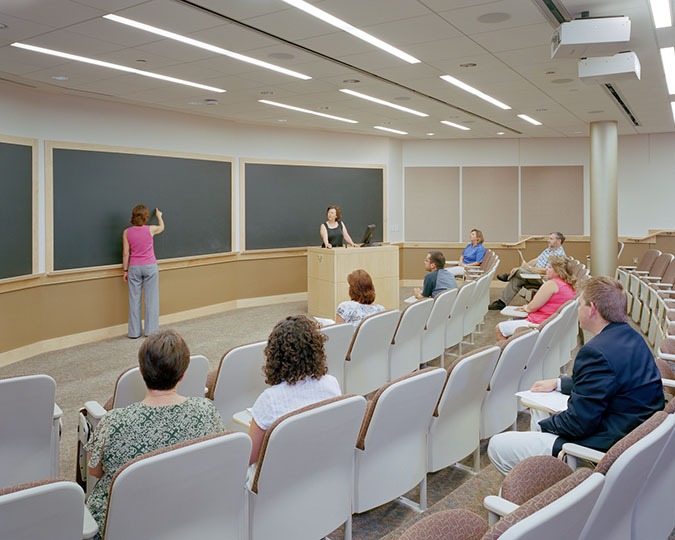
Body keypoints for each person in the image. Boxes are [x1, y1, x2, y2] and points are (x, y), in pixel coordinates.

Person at [487, 276, 664, 475]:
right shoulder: (632, 337)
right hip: (629, 431)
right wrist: (559, 383)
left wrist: (544, 427)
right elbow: (611, 380)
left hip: (600, 445)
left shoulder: (595, 352)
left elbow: (578, 424)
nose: (578, 310)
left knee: (498, 445)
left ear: (593, 309)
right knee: (541, 404)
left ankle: (546, 488)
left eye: (580, 304)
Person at [86, 330, 225, 538]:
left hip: (121, 526)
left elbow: (94, 470)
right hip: (186, 516)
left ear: (141, 372)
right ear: (183, 373)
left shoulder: (113, 422)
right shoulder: (205, 410)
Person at [248, 315, 341, 465]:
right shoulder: (332, 384)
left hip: (281, 479)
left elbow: (251, 457)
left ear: (274, 356)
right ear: (316, 350)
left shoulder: (269, 400)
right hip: (322, 467)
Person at [495, 255, 576, 340]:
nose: (546, 270)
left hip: (540, 324)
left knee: (499, 328)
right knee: (511, 322)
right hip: (553, 324)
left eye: (549, 267)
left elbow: (532, 308)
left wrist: (526, 307)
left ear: (558, 271)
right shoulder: (570, 285)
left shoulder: (551, 284)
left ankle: (508, 353)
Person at [489, 232, 566, 310]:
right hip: (535, 274)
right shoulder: (548, 250)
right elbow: (536, 260)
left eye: (551, 239)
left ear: (559, 241)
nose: (548, 240)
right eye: (549, 238)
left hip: (544, 278)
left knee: (519, 273)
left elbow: (546, 271)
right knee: (517, 279)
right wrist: (521, 267)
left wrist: (528, 268)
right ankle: (501, 303)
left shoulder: (559, 255)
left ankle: (508, 276)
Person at [123, 204, 164, 338]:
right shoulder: (150, 229)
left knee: (134, 300)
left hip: (134, 267)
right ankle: (151, 331)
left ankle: (134, 332)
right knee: (151, 299)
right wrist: (159, 217)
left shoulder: (127, 232)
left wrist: (125, 270)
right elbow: (162, 227)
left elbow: (125, 253)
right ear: (146, 217)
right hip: (150, 266)